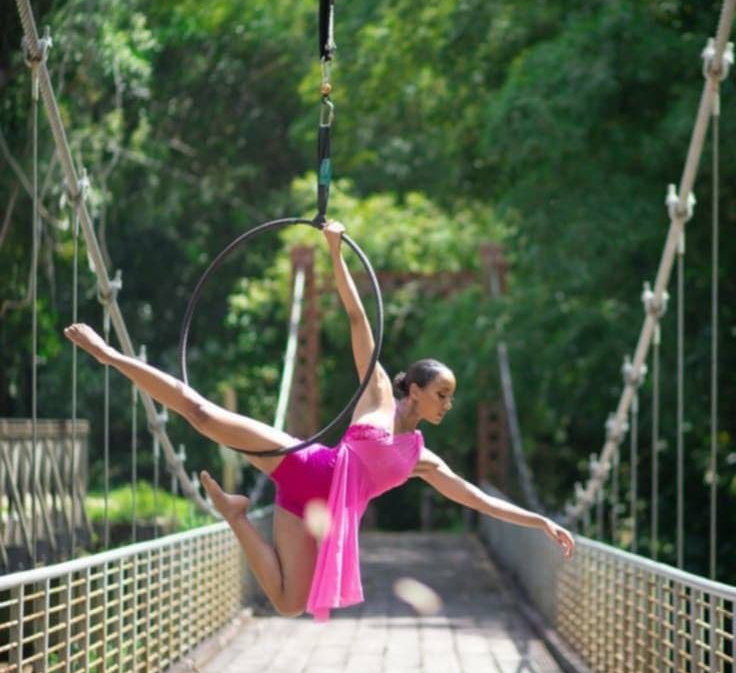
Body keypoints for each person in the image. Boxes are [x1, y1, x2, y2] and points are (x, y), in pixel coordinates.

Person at [64, 220, 575, 620]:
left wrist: (541, 521)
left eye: (451, 398)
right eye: (442, 394)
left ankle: (237, 514)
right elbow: (357, 318)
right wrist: (334, 251)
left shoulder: (423, 458)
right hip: (301, 465)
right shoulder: (376, 394)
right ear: (414, 390)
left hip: (319, 517)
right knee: (200, 413)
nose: (447, 404)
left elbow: (479, 499)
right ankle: (109, 354)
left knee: (289, 603)